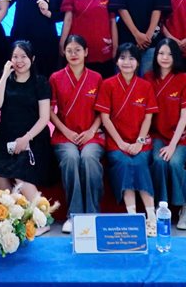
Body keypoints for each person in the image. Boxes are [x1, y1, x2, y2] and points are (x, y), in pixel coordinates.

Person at [97, 43, 159, 236]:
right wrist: (121, 143)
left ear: (138, 62)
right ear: (116, 61)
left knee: (140, 162)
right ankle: (133, 218)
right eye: (122, 58)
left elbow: (148, 117)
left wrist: (139, 142)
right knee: (124, 163)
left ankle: (151, 217)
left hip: (141, 142)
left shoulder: (145, 86)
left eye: (132, 58)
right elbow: (105, 118)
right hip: (116, 142)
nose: (127, 62)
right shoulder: (107, 84)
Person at [49, 34, 104, 233]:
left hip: (91, 134)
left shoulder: (96, 78)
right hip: (64, 135)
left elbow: (102, 111)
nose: (73, 54)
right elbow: (50, 111)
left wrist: (91, 131)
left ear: (86, 52)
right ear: (64, 53)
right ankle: (74, 215)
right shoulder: (55, 78)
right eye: (69, 50)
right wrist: (66, 131)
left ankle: (93, 214)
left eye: (78, 50)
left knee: (89, 158)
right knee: (71, 158)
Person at [0, 40, 53, 200]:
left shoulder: (40, 82)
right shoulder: (5, 80)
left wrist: (26, 138)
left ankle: (41, 213)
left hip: (33, 138)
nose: (19, 61)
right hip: (6, 137)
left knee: (20, 174)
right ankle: (17, 211)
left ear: (32, 59)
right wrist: (4, 75)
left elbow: (44, 118)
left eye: (23, 56)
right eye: (15, 57)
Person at [145, 37, 186, 231]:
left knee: (174, 162)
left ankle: (185, 208)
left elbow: (185, 116)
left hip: (181, 137)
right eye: (161, 53)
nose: (165, 57)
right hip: (157, 135)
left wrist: (173, 145)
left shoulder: (185, 79)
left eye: (169, 54)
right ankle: (162, 207)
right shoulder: (148, 78)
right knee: (158, 160)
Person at [59, 0, 117, 78]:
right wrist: (62, 44)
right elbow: (67, 20)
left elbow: (112, 21)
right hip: (77, 50)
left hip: (102, 49)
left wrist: (115, 47)